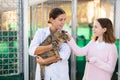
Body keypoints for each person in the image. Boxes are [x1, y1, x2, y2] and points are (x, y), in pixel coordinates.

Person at [29, 7, 71, 80]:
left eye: (64, 19)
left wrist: (44, 61)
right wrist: (51, 46)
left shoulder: (66, 34)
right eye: (60, 19)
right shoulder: (41, 33)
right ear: (52, 20)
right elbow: (32, 50)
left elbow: (64, 54)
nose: (63, 22)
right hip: (44, 75)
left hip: (60, 75)